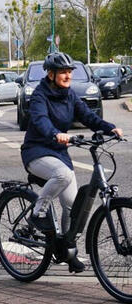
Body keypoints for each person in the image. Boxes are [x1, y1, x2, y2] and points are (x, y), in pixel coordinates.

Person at [21, 52, 123, 273]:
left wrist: (109, 128)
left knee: (73, 207)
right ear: (51, 74)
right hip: (37, 152)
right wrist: (56, 134)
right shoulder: (40, 96)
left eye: (69, 72)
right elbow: (40, 121)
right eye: (63, 72)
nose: (67, 76)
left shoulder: (70, 95)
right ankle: (38, 213)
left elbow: (88, 116)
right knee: (64, 175)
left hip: (59, 154)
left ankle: (67, 251)